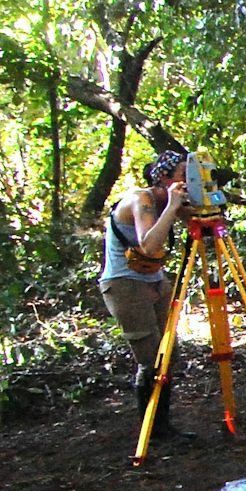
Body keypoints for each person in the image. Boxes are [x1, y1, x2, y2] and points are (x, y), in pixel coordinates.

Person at [100, 150, 192, 437]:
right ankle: (152, 430)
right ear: (164, 177)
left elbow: (206, 225)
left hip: (154, 281)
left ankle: (162, 425)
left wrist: (199, 205)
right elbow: (150, 245)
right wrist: (173, 206)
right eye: (183, 175)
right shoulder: (142, 200)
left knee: (167, 352)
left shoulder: (169, 199)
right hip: (125, 285)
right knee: (151, 357)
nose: (188, 181)